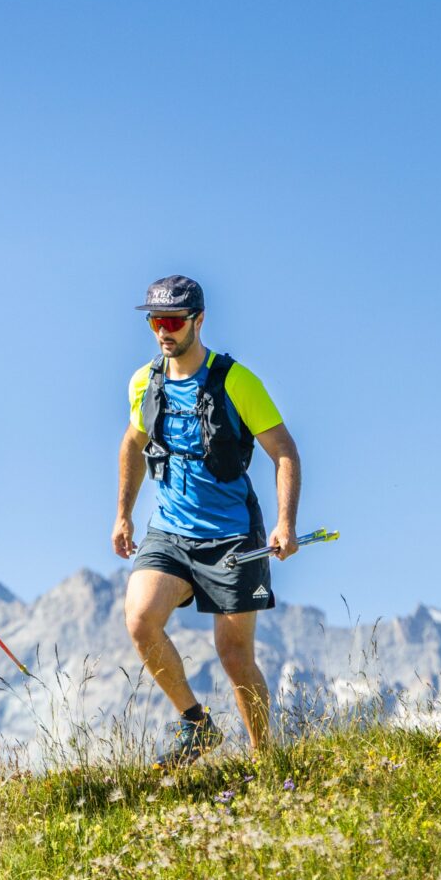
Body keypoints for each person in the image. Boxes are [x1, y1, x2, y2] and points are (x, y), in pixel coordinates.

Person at [112, 275, 301, 767]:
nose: (163, 332)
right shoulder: (143, 381)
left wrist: (285, 523)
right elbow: (132, 445)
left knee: (234, 655)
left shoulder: (235, 380)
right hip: (169, 533)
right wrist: (123, 516)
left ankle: (266, 762)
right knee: (140, 618)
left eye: (173, 321)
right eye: (156, 321)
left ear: (199, 320)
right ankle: (196, 725)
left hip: (233, 537)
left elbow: (283, 450)